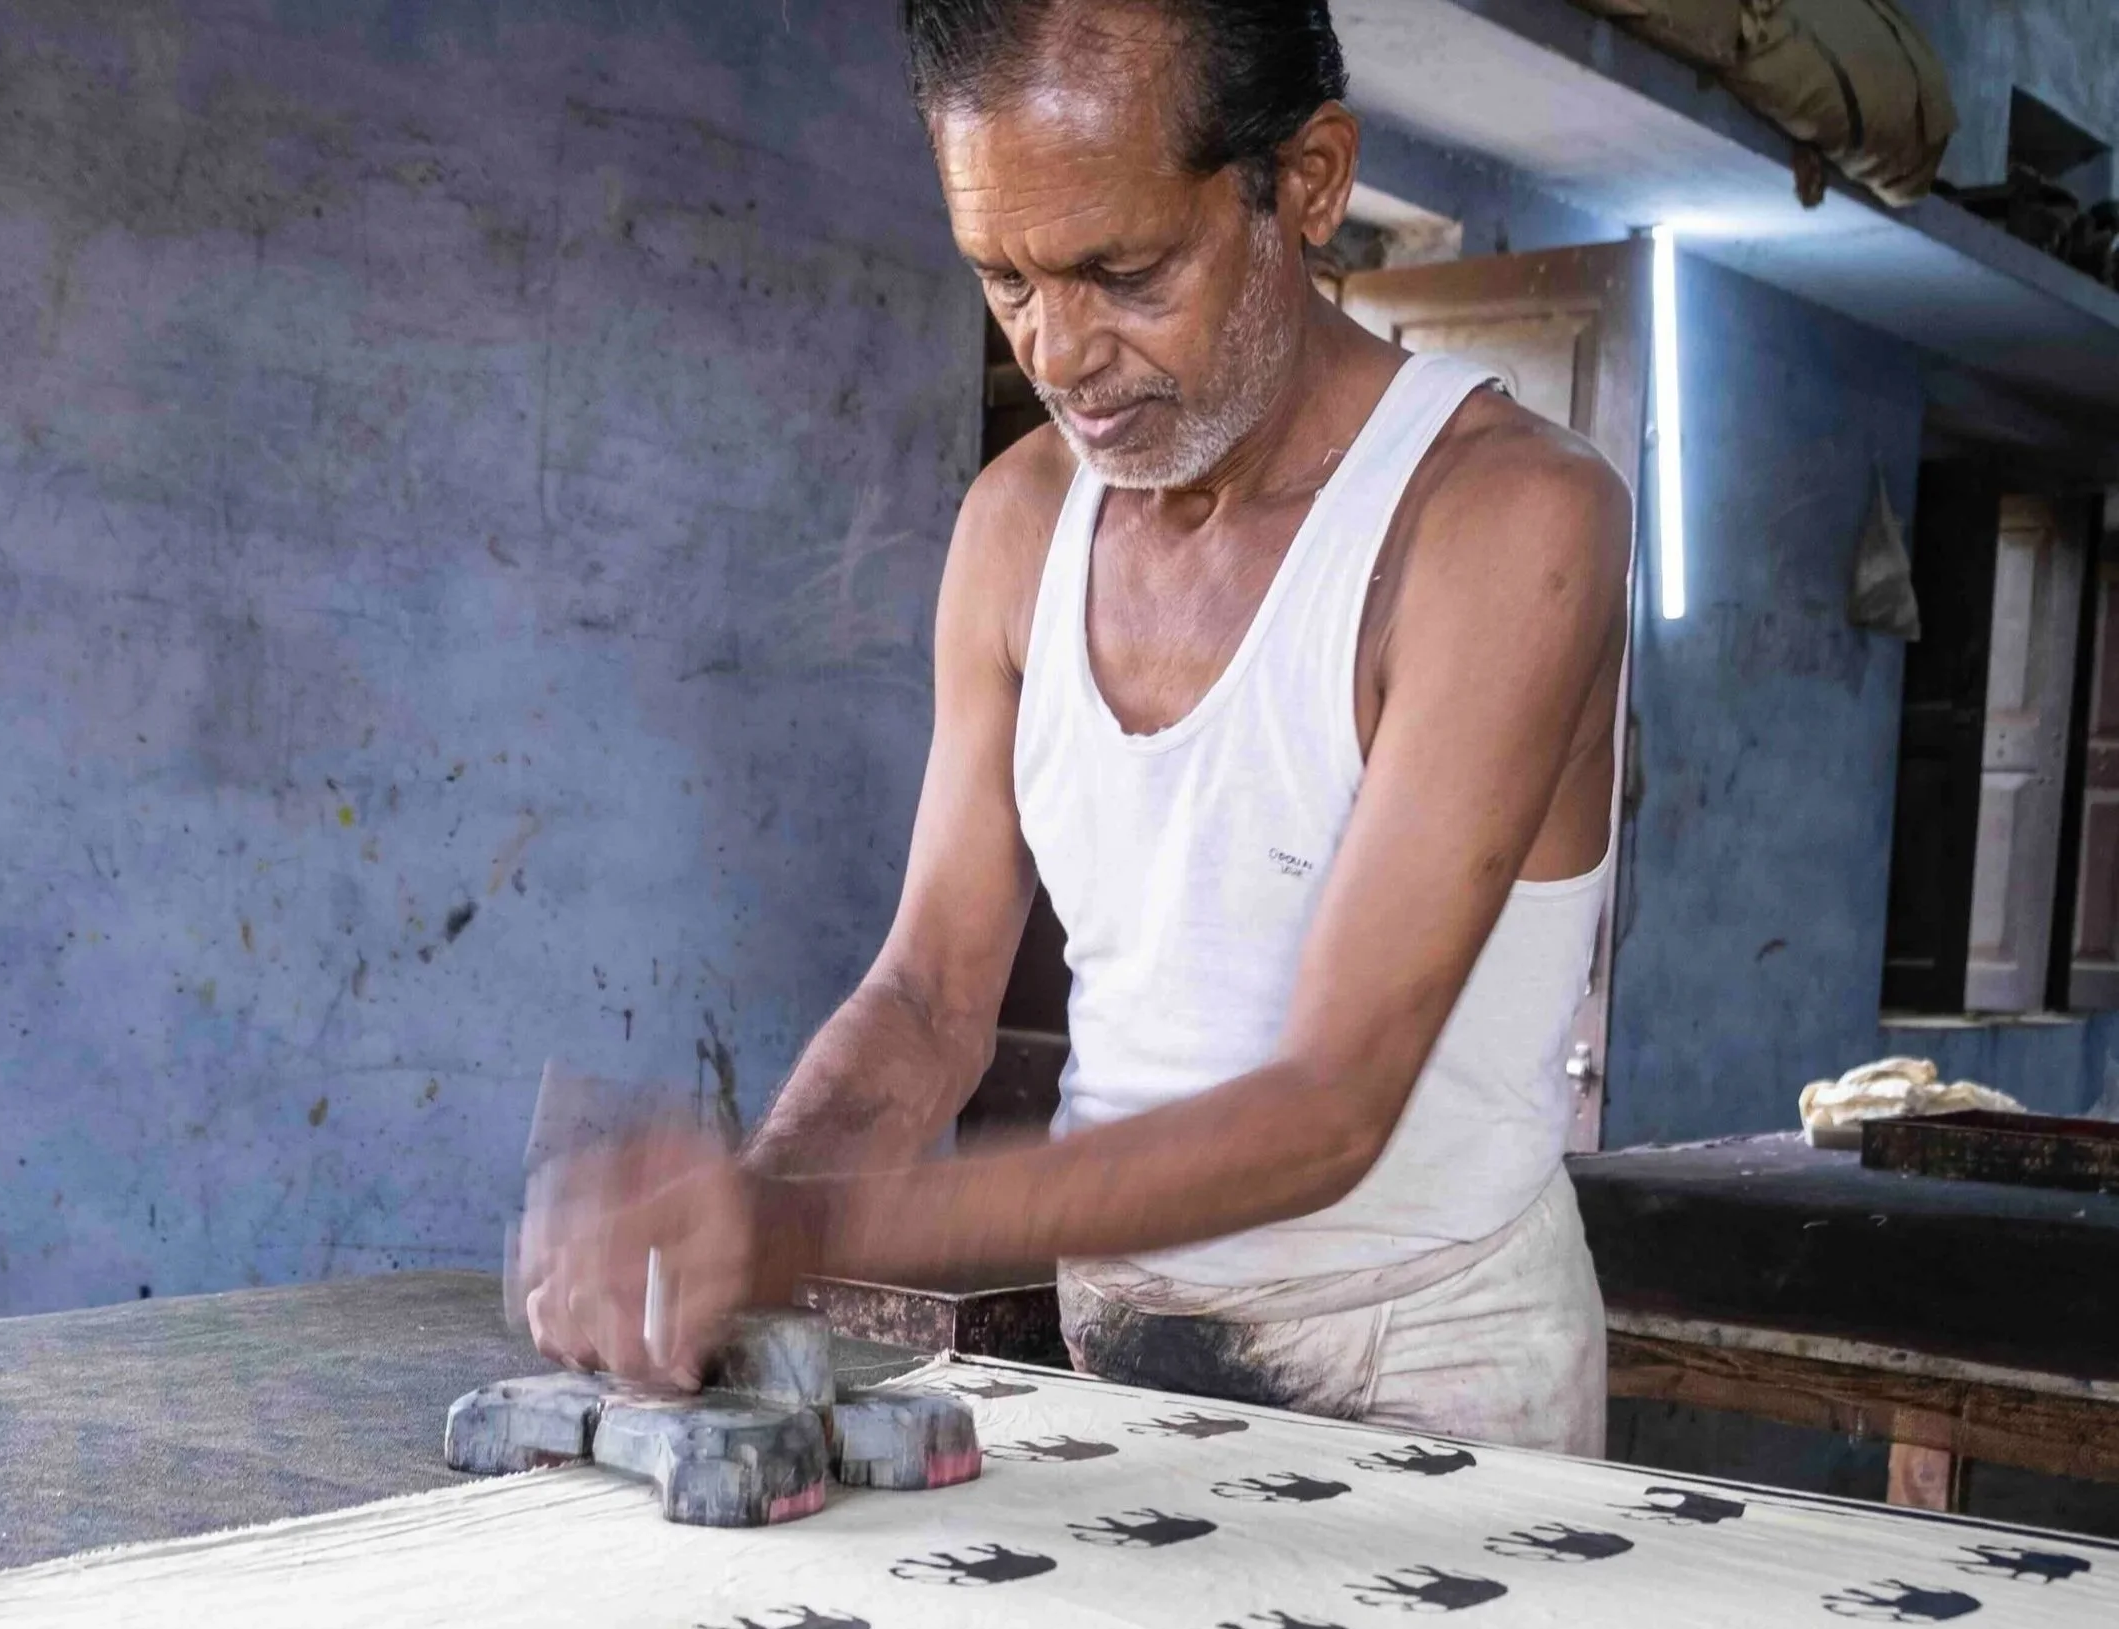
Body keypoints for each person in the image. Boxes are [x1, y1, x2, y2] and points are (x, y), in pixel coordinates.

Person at [518, 0, 1631, 1454]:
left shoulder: (1505, 518)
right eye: (1004, 279)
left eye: (1123, 272)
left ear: (1306, 183)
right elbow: (928, 998)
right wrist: (722, 1239)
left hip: (1434, 1372)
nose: (1059, 351)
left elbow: (1325, 1109)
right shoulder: (1018, 524)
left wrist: (799, 1221)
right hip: (1116, 1352)